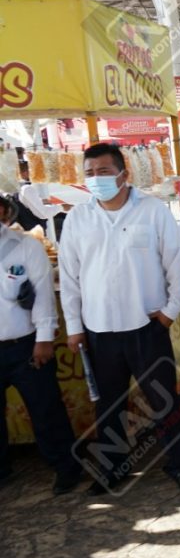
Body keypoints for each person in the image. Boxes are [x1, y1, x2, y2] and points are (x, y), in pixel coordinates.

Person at [60, 143, 180, 495]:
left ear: (124, 173)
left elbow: (176, 266)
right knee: (109, 405)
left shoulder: (153, 211)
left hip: (147, 327)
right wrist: (74, 328)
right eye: (89, 173)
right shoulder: (78, 217)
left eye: (104, 172)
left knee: (163, 399)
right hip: (99, 329)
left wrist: (168, 313)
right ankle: (112, 469)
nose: (96, 179)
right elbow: (70, 277)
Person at [0, 195, 82, 495]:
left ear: (4, 212)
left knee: (46, 409)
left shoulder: (26, 246)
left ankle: (66, 467)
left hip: (25, 345)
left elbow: (43, 294)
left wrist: (44, 338)